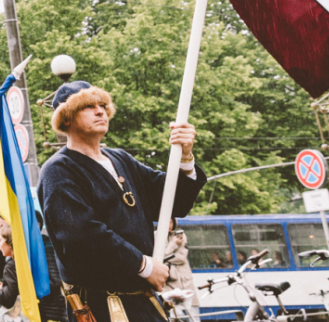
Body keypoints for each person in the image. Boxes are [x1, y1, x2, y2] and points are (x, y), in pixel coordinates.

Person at [39, 81, 206, 322]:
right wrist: (144, 265)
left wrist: (185, 156)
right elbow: (81, 235)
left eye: (103, 105)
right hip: (102, 305)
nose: (100, 111)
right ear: (66, 119)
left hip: (144, 302)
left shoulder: (121, 159)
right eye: (88, 106)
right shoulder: (59, 169)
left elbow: (172, 202)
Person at [0, 222, 65, 322]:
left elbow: (9, 299)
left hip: (42, 314)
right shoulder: (23, 260)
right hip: (50, 314)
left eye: (1, 240)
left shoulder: (13, 265)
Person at [162, 221, 197, 322]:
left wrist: (165, 255)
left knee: (193, 317)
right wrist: (173, 244)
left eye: (171, 222)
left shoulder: (180, 235)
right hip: (169, 286)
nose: (169, 225)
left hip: (186, 283)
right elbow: (156, 257)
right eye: (166, 222)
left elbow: (181, 257)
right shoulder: (156, 236)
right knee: (173, 317)